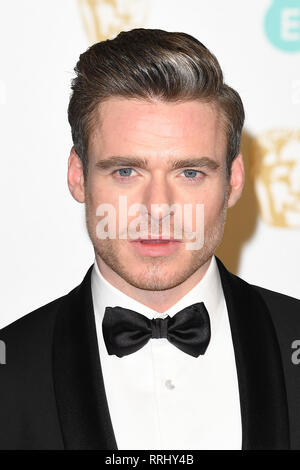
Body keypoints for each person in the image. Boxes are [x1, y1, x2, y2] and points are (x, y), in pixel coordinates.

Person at [0, 28, 299, 450]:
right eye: (126, 171)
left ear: (232, 181)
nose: (158, 207)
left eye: (190, 172)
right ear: (77, 177)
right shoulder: (10, 368)